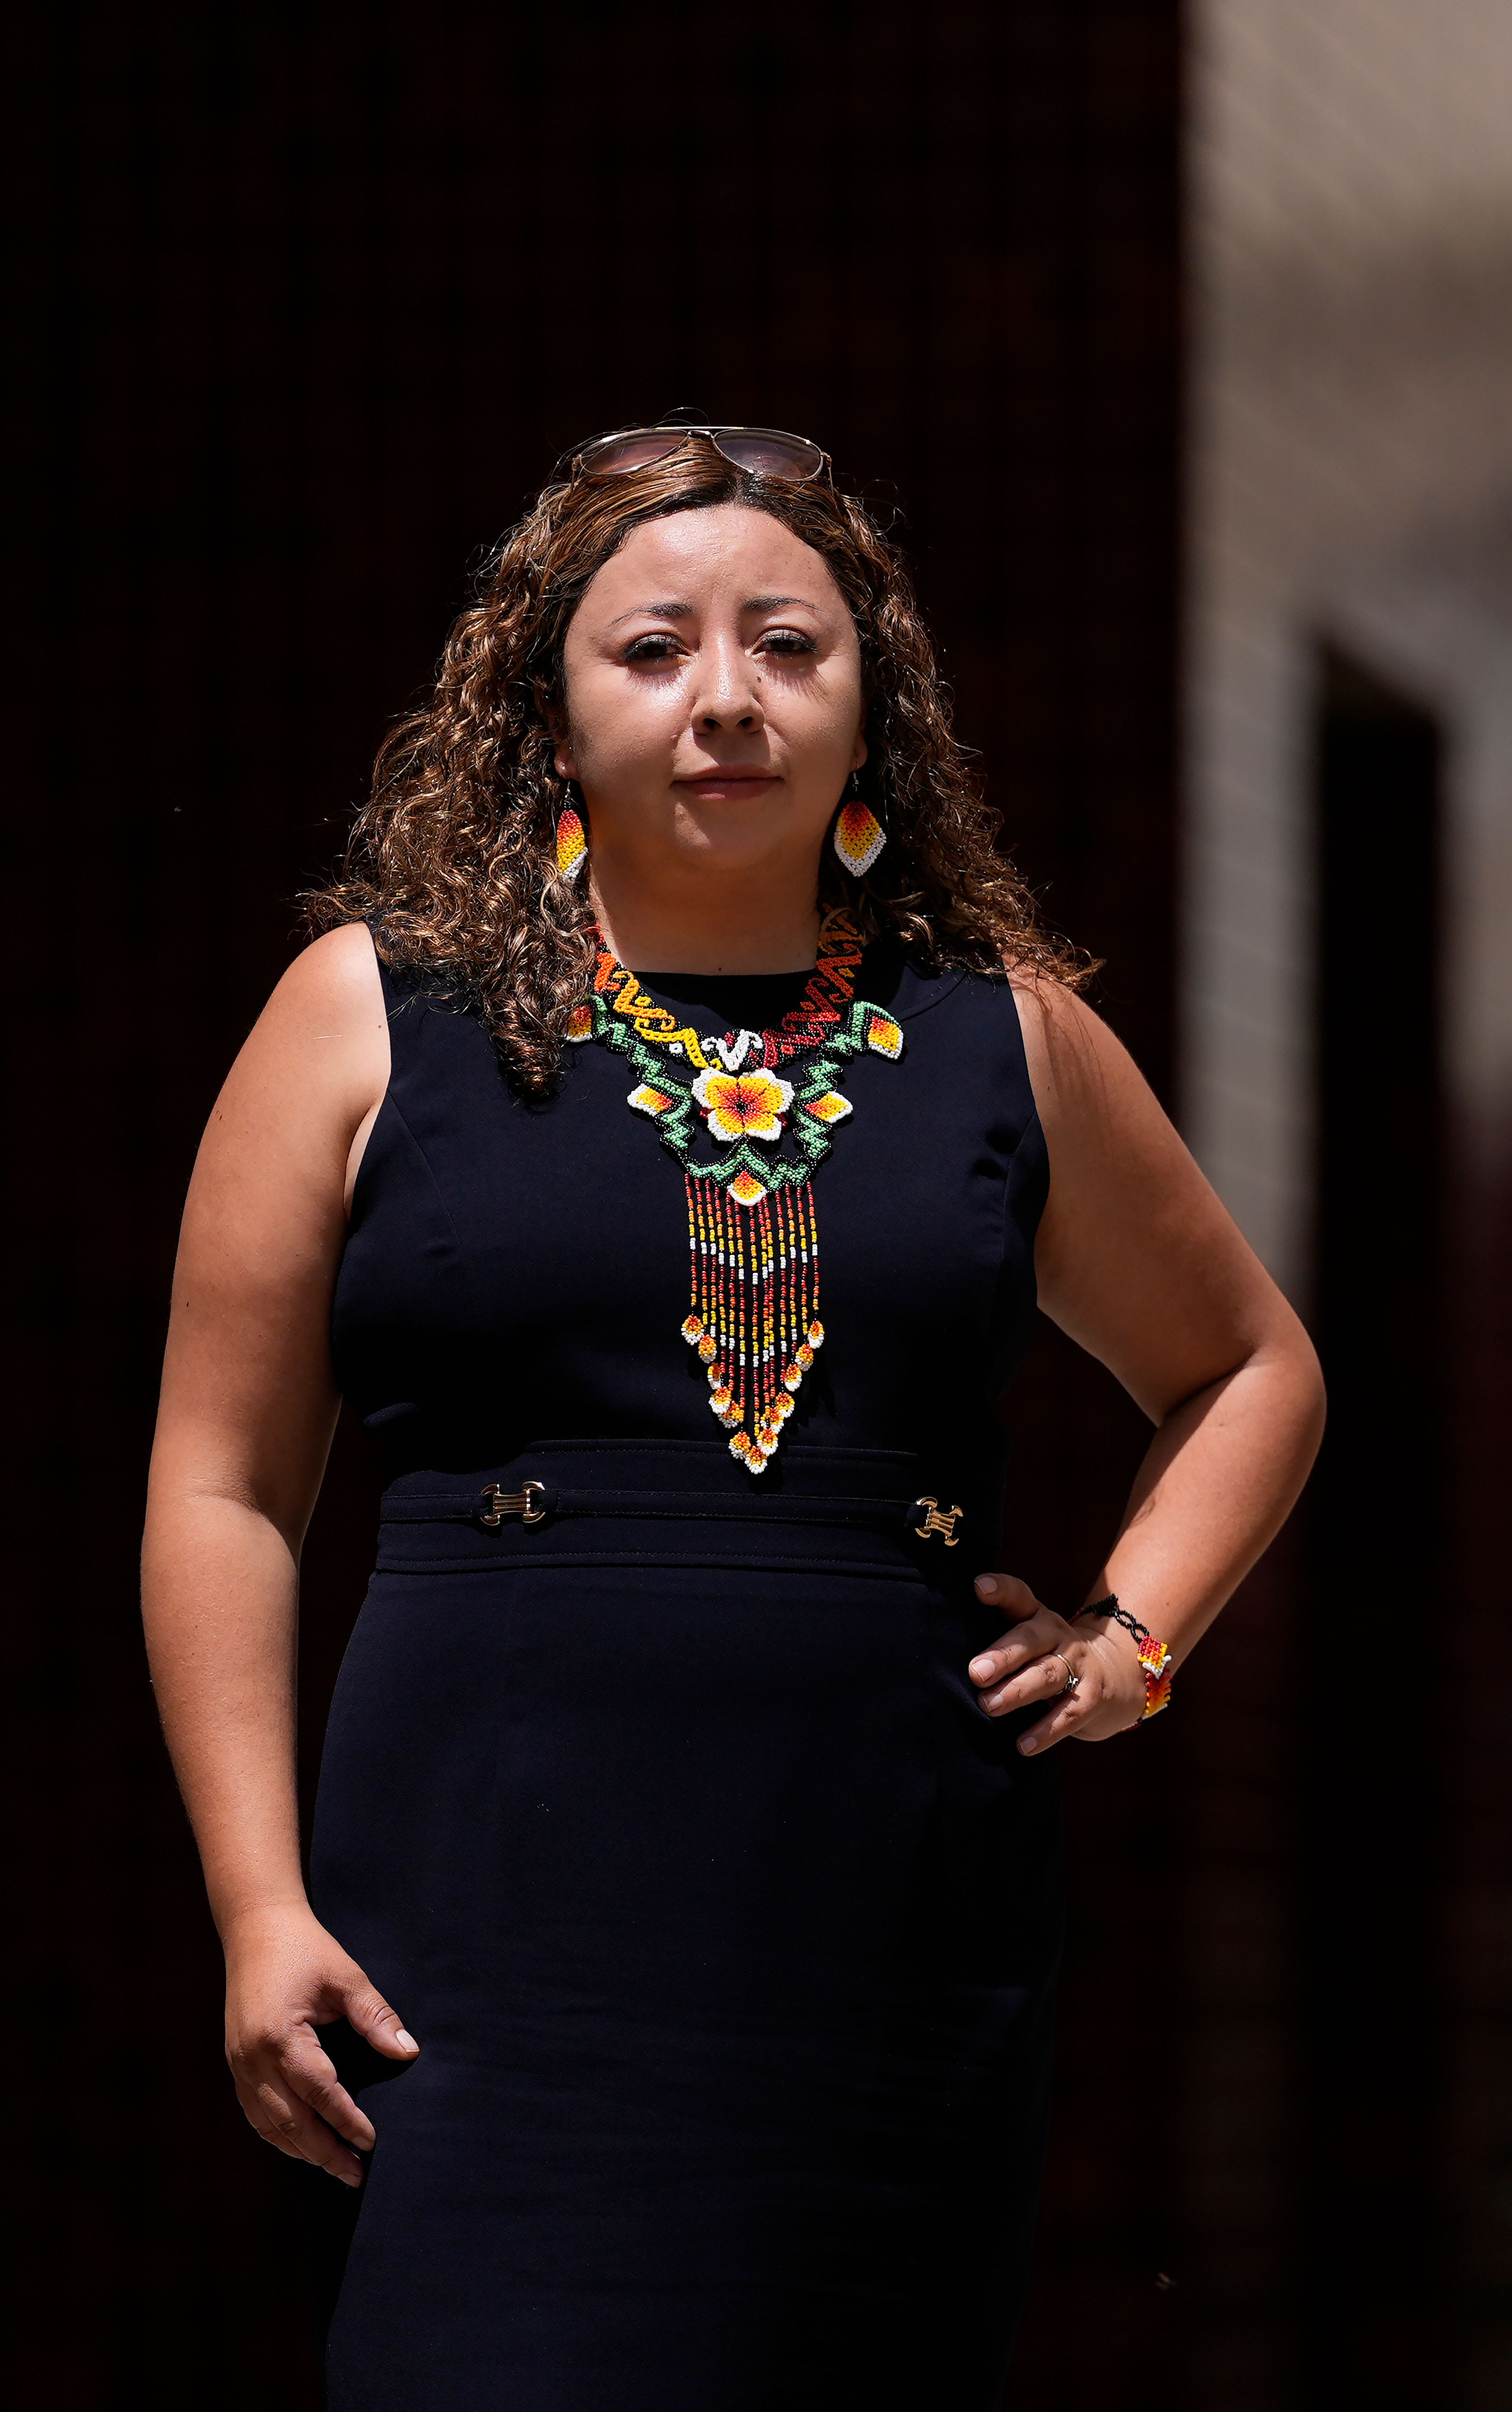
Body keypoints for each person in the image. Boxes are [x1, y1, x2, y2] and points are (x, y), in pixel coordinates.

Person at [142, 422, 1324, 2409]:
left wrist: (1139, 1643)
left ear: (874, 712)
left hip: (883, 1914)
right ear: (548, 709)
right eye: (654, 649)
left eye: (789, 645)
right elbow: (224, 1488)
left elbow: (1250, 1367)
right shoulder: (365, 1015)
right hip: (476, 1914)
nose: (726, 700)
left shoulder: (1004, 1034)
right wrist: (259, 1910)